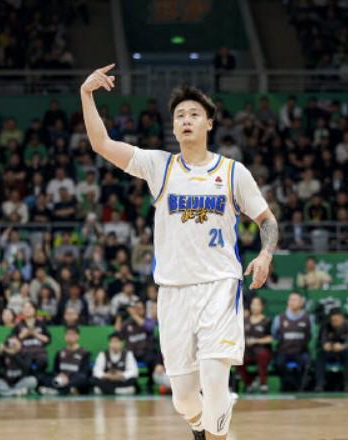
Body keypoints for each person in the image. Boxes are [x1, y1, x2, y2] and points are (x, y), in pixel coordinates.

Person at [81, 65, 278, 439]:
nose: (186, 120)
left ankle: (216, 431)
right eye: (180, 116)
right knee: (185, 400)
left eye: (194, 114)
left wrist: (265, 253)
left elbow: (267, 220)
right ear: (173, 128)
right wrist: (86, 94)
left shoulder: (233, 172)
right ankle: (201, 426)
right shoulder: (160, 166)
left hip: (220, 286)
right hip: (173, 292)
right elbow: (102, 144)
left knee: (215, 381)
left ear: (209, 123)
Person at [272, 292, 311, 392]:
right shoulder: (279, 318)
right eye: (290, 300)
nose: (292, 302)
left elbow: (311, 335)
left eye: (295, 300)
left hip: (301, 351)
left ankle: (300, 387)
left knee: (306, 363)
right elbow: (275, 335)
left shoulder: (308, 318)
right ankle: (287, 385)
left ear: (301, 303)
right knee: (278, 363)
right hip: (284, 351)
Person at [117, 300, 157, 392]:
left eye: (140, 308)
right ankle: (133, 384)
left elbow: (149, 328)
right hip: (131, 353)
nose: (138, 310)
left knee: (153, 358)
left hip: (145, 352)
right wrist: (119, 317)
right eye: (136, 308)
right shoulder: (128, 322)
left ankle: (150, 384)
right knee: (123, 359)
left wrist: (134, 315)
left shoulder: (149, 320)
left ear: (144, 310)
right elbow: (117, 334)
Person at [38, 326, 91, 396]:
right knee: (43, 377)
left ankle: (59, 390)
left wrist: (68, 378)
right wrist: (59, 375)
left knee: (83, 379)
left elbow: (84, 372)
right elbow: (56, 370)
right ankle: (68, 390)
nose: (70, 336)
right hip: (61, 378)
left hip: (74, 379)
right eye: (68, 334)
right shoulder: (59, 352)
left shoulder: (84, 353)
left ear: (78, 336)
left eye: (72, 334)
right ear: (65, 336)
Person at [236, 296, 272, 393]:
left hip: (262, 349)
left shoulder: (267, 321)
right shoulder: (245, 320)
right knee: (237, 357)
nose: (255, 306)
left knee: (262, 355)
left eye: (257, 304)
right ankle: (249, 382)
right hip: (247, 350)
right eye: (253, 304)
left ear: (262, 306)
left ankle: (263, 383)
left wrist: (256, 341)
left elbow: (270, 338)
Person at [315, 308, 348, 392]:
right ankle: (320, 384)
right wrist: (325, 345)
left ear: (342, 318)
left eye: (337, 320)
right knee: (320, 355)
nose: (334, 322)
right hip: (330, 351)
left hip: (343, 351)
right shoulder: (326, 325)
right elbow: (322, 340)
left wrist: (343, 346)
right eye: (333, 320)